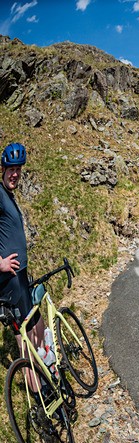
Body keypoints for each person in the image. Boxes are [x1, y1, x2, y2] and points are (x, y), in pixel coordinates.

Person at [0, 143, 45, 364]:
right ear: (3, 170)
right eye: (11, 170)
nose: (15, 174)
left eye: (18, 169)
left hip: (21, 276)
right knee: (25, 341)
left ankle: (48, 379)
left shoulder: (8, 197)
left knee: (38, 325)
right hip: (10, 280)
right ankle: (37, 395)